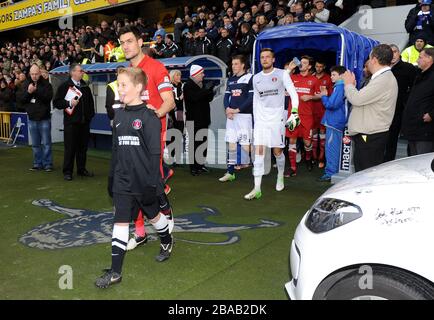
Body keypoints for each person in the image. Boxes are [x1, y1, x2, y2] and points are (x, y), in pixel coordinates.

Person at [95, 67, 173, 289]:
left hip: (144, 181)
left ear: (138, 87)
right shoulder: (119, 115)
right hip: (122, 180)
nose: (119, 89)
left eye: (123, 85)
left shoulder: (149, 117)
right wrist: (111, 178)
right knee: (120, 223)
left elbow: (154, 155)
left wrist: (152, 183)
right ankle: (115, 272)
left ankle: (167, 240)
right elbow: (116, 150)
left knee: (154, 217)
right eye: (118, 85)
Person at [119, 25, 175, 250]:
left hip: (151, 138)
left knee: (149, 185)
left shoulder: (156, 67)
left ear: (140, 42)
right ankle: (140, 233)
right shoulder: (125, 72)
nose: (125, 46)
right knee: (132, 185)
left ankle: (166, 214)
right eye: (122, 42)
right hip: (130, 136)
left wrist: (153, 117)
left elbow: (169, 102)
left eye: (130, 41)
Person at [244, 48, 299, 200]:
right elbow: (255, 100)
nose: (265, 59)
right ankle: (256, 189)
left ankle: (280, 174)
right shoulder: (256, 78)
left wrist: (294, 112)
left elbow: (294, 95)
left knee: (277, 152)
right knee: (259, 153)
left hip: (277, 119)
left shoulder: (282, 74)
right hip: (261, 121)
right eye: (262, 57)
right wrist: (255, 121)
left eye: (268, 57)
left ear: (273, 59)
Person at [343, 44, 398, 172]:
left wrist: (348, 85)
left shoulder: (383, 79)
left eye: (369, 58)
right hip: (370, 135)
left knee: (365, 174)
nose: (367, 62)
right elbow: (363, 99)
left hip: (370, 137)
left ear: (374, 59)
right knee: (364, 173)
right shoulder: (382, 78)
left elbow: (356, 99)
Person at [53, 63, 95, 181]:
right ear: (72, 72)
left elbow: (90, 103)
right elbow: (56, 103)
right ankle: (67, 171)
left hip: (84, 123)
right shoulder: (64, 86)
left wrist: (89, 117)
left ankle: (81, 169)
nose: (82, 72)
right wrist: (69, 103)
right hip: (71, 123)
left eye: (82, 71)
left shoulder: (85, 86)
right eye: (80, 70)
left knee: (83, 148)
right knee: (70, 148)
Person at [219, 55, 253, 183]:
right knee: (231, 144)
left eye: (236, 64)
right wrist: (227, 109)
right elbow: (226, 97)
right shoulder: (231, 80)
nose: (233, 66)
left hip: (244, 116)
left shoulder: (250, 78)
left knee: (246, 145)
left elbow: (251, 99)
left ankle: (255, 165)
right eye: (232, 64)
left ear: (243, 65)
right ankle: (230, 172)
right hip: (231, 116)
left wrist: (237, 110)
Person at [285, 56, 319, 177]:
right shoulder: (292, 77)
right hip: (293, 114)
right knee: (292, 140)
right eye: (301, 62)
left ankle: (308, 159)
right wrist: (289, 69)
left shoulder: (314, 80)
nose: (301, 65)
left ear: (309, 66)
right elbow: (280, 80)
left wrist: (311, 97)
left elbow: (319, 95)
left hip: (307, 116)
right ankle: (293, 167)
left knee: (307, 142)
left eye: (304, 63)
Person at [384, 44, 418, 162]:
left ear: (399, 53)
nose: (392, 54)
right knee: (387, 140)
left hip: (401, 110)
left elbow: (415, 88)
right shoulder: (383, 69)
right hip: (384, 110)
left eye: (395, 51)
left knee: (403, 139)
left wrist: (406, 102)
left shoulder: (408, 68)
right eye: (390, 52)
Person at [17, 64, 53, 171]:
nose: (34, 76)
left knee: (46, 143)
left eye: (36, 74)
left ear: (40, 73)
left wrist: (35, 91)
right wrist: (29, 92)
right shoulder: (25, 84)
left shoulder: (46, 84)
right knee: (35, 144)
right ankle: (37, 163)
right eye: (32, 74)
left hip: (44, 118)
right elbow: (21, 100)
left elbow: (48, 98)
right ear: (29, 74)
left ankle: (47, 164)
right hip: (32, 118)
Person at [183, 64, 215, 176]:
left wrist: (210, 90)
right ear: (195, 74)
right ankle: (193, 167)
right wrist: (206, 90)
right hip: (193, 120)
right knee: (194, 144)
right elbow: (194, 98)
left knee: (203, 143)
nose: (203, 75)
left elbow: (209, 98)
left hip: (204, 119)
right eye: (201, 73)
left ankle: (201, 165)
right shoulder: (187, 86)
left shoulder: (202, 85)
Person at [317, 65, 347, 182]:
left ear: (341, 75)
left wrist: (324, 95)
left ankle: (331, 173)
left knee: (331, 149)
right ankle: (332, 171)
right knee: (333, 148)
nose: (331, 77)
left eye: (334, 75)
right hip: (336, 122)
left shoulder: (340, 87)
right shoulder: (339, 87)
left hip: (334, 123)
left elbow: (331, 105)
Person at [402, 47, 434, 155]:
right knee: (413, 162)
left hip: (425, 131)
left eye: (420, 57)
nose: (417, 60)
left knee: (422, 164)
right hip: (414, 128)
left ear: (429, 59)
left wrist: (431, 114)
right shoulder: (420, 75)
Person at [312, 60, 333, 169]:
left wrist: (322, 95)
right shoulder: (311, 77)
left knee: (323, 136)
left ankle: (321, 158)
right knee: (314, 136)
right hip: (312, 110)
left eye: (320, 66)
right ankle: (313, 157)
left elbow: (330, 94)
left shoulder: (328, 78)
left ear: (324, 67)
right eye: (317, 66)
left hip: (323, 110)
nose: (318, 68)